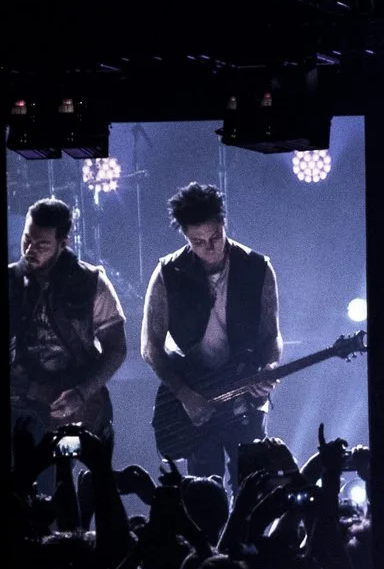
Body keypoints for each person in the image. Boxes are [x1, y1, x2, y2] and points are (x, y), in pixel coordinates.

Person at [139, 183, 283, 481]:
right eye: (198, 241)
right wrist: (185, 395)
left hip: (246, 398)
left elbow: (272, 335)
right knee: (205, 491)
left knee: (255, 484)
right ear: (185, 236)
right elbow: (150, 347)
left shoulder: (258, 267)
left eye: (215, 236)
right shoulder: (168, 272)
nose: (209, 247)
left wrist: (269, 367)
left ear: (224, 223)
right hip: (199, 399)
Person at [9, 198, 127, 443]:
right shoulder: (10, 282)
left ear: (63, 243)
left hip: (78, 401)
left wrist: (82, 393)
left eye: (41, 244)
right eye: (27, 240)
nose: (29, 250)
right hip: (21, 400)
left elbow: (116, 349)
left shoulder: (93, 283)